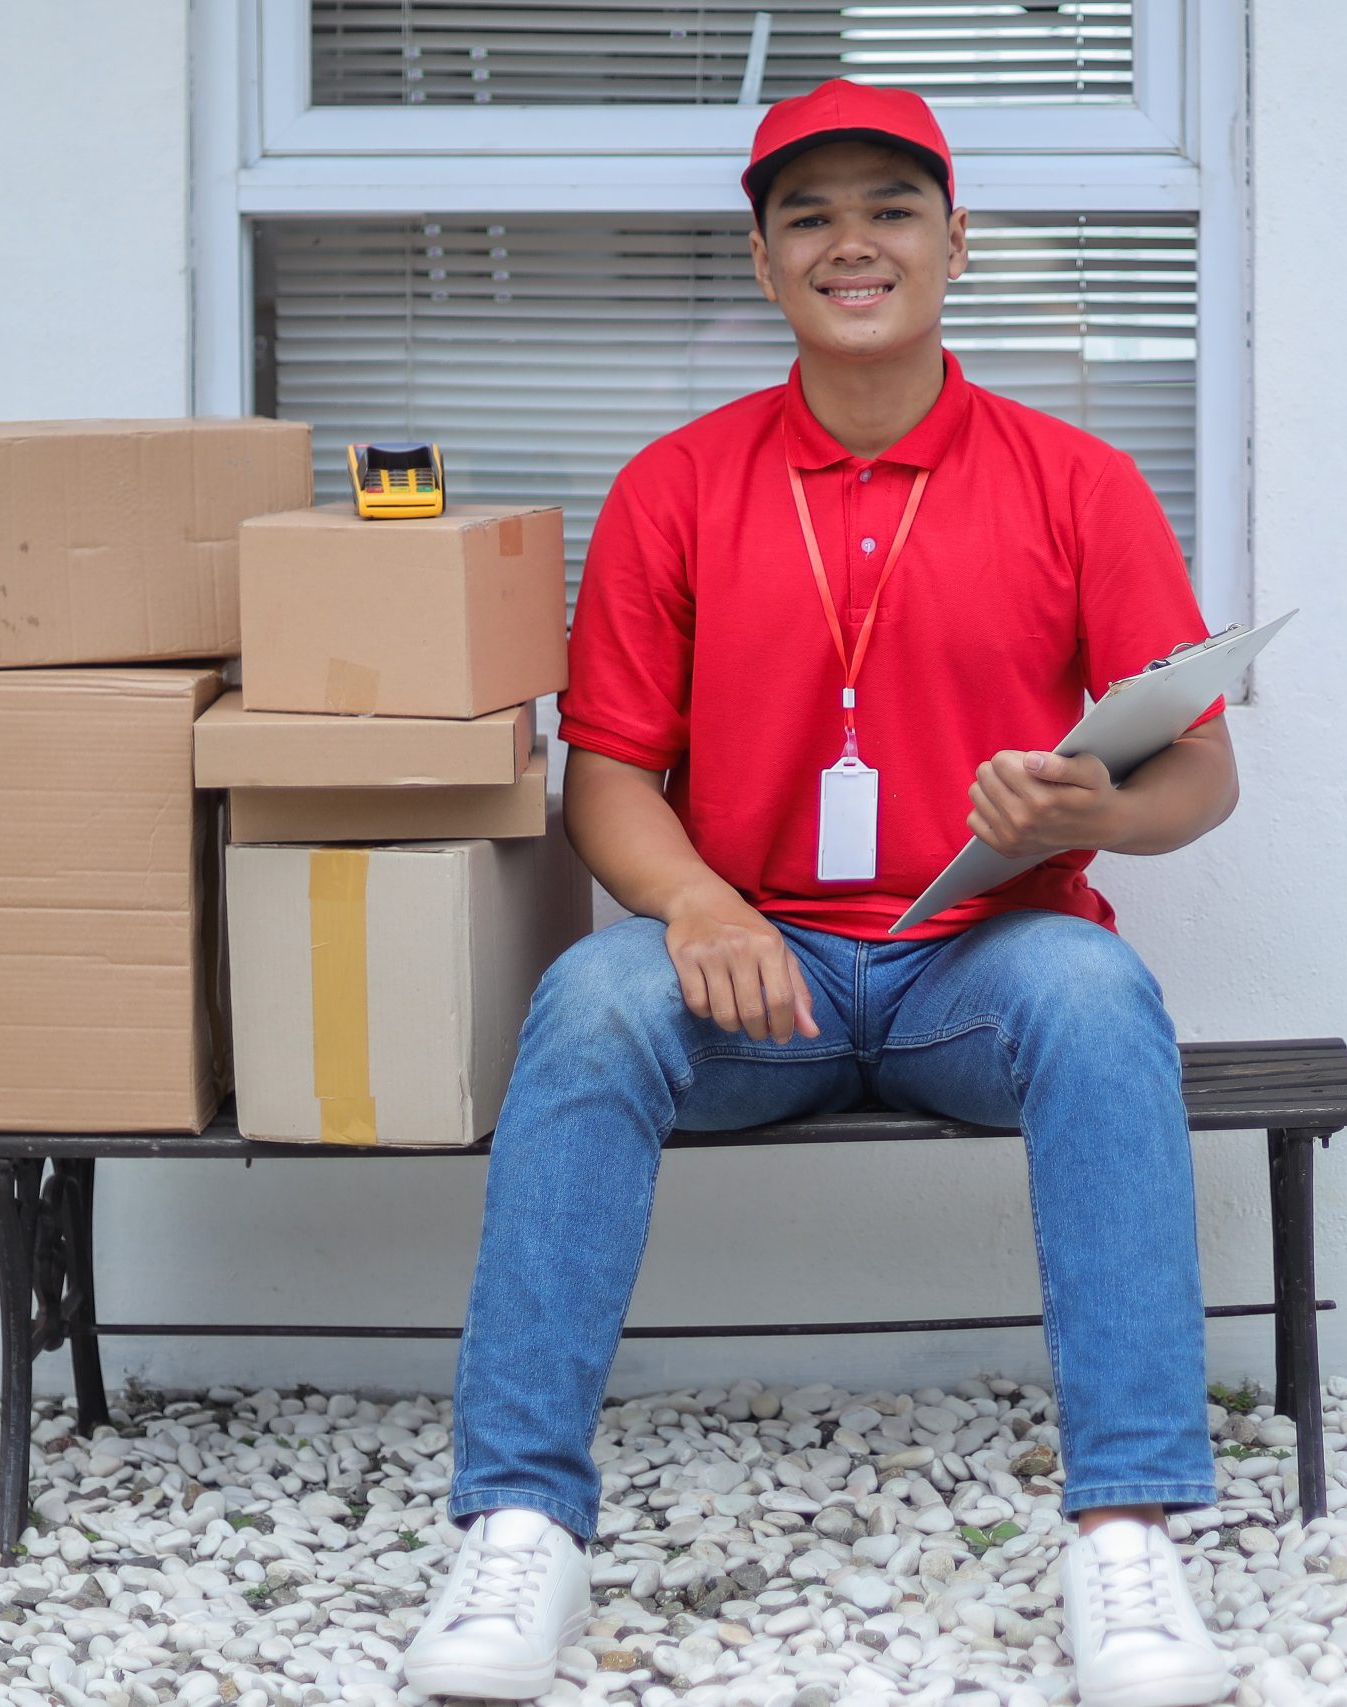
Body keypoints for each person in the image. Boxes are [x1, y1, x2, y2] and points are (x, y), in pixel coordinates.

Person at [402, 78, 1242, 1707]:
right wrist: (698, 907)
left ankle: (1126, 1537)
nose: (853, 244)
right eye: (810, 217)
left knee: (1103, 1000)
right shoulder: (678, 485)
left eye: (892, 210)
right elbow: (608, 779)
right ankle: (521, 1528)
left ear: (956, 240)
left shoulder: (1078, 483)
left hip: (982, 959)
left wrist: (1100, 811)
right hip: (754, 971)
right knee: (589, 1000)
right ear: (765, 258)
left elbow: (1202, 777)